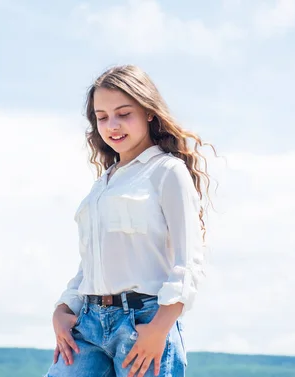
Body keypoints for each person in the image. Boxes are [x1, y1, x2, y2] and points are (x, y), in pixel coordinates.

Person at [45, 64, 213, 377]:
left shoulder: (167, 172)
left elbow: (188, 263)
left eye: (124, 113)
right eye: (102, 116)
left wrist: (160, 329)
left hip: (144, 321)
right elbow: (91, 265)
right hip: (89, 324)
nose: (112, 125)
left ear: (149, 112)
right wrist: (63, 308)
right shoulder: (103, 184)